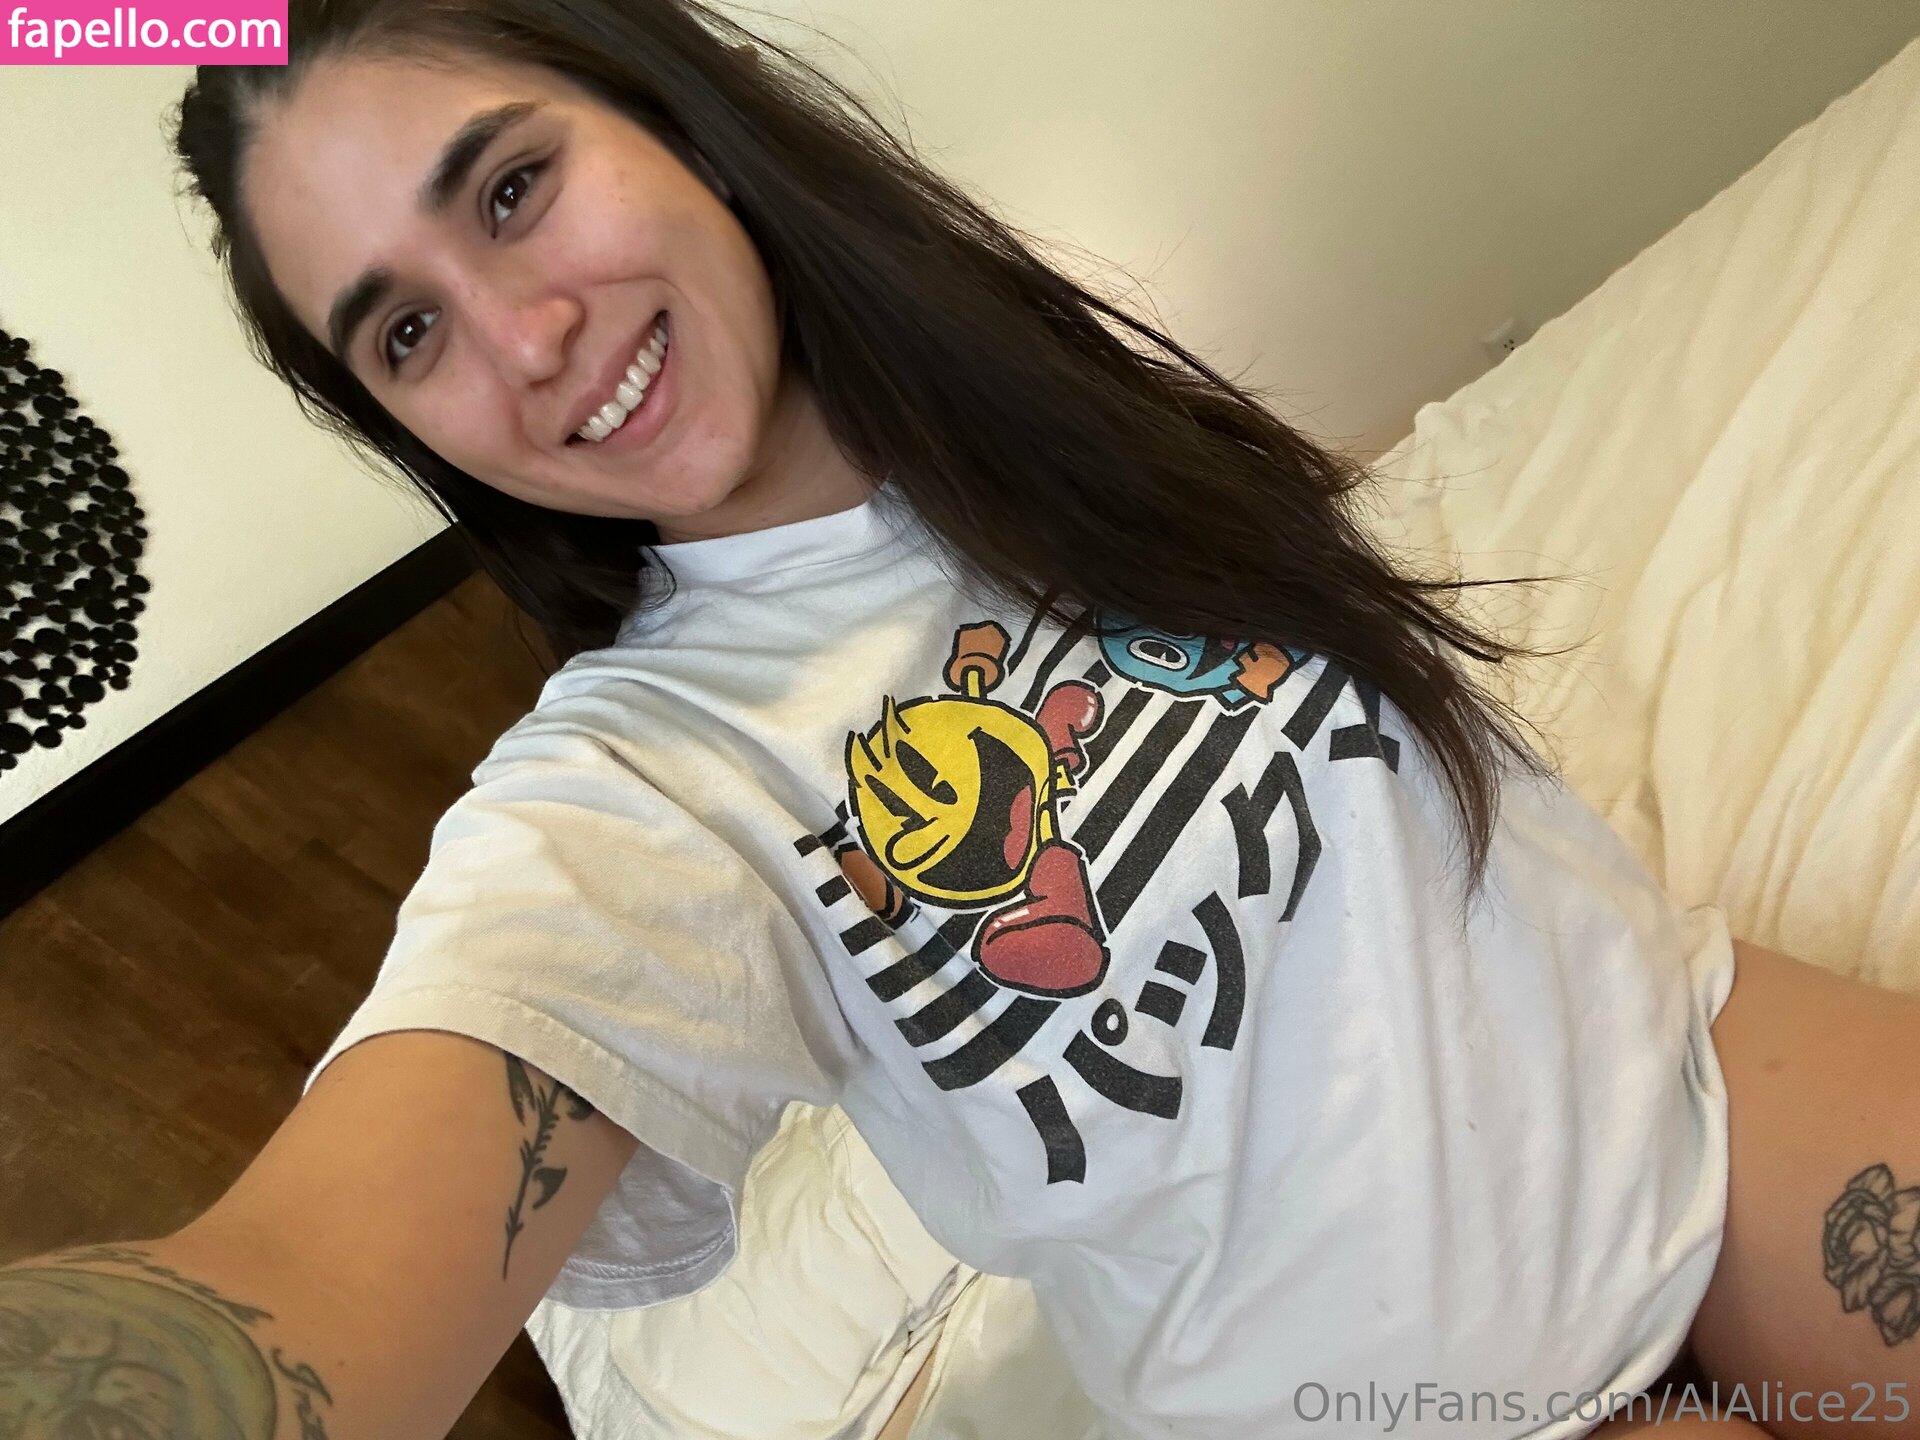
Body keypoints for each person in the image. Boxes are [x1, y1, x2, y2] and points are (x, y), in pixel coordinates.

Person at [4, 0, 1917, 1435]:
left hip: (1684, 1064)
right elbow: (303, 1291)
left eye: (514, 189)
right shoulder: (634, 791)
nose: (522, 338)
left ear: (670, 114)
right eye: (406, 332)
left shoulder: (1032, 403)